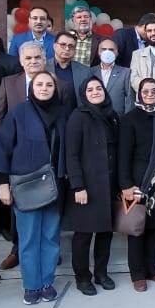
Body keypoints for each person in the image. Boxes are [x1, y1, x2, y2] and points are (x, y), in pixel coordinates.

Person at [0, 71, 67, 305]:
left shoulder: (62, 113)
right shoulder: (18, 113)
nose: (44, 88)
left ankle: (47, 282)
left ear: (55, 89)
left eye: (49, 85)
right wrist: (3, 185)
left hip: (54, 185)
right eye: (39, 84)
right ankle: (31, 285)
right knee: (29, 238)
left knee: (51, 237)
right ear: (32, 88)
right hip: (26, 186)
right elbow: (2, 148)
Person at [0, 40, 46, 271]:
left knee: (47, 205)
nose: (33, 61)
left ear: (44, 59)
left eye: (37, 57)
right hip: (17, 155)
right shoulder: (9, 82)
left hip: (45, 157)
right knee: (19, 206)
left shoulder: (56, 84)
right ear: (21, 61)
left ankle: (45, 249)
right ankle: (17, 249)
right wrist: (3, 150)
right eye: (28, 58)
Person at [63, 78, 120, 296]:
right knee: (84, 236)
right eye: (90, 89)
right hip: (87, 187)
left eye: (99, 88)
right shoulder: (78, 117)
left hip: (109, 185)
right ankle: (82, 277)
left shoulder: (112, 115)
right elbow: (71, 154)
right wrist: (78, 186)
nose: (95, 92)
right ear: (83, 94)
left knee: (105, 233)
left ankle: (101, 273)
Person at [118, 78, 155, 292]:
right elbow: (123, 154)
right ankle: (138, 274)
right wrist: (125, 184)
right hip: (136, 183)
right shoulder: (129, 119)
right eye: (145, 91)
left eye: (154, 91)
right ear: (139, 93)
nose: (150, 94)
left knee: (154, 228)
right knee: (136, 229)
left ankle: (153, 269)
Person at [50, 31, 93, 111]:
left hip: (76, 116)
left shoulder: (85, 71)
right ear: (54, 46)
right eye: (63, 45)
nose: (67, 49)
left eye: (71, 46)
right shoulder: (43, 68)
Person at [91, 38, 133, 114]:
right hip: (94, 116)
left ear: (116, 53)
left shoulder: (126, 72)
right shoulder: (90, 72)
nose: (107, 52)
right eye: (104, 49)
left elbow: (129, 98)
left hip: (117, 117)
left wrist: (127, 118)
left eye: (111, 50)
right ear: (98, 52)